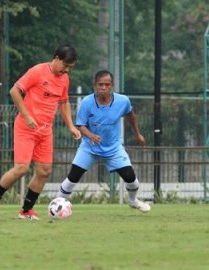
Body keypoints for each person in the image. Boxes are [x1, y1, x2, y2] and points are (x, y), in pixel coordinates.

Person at [0, 44, 82, 220]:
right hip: (26, 127)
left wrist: (70, 126)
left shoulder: (64, 79)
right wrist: (26, 115)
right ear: (56, 59)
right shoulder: (38, 71)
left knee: (44, 171)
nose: (67, 70)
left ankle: (26, 210)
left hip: (45, 131)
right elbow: (14, 91)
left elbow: (64, 102)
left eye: (70, 67)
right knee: (21, 168)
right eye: (65, 65)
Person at [56, 70, 151, 213]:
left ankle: (133, 201)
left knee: (130, 178)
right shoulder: (87, 102)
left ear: (112, 85)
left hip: (113, 148)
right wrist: (91, 135)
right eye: (100, 84)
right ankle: (57, 205)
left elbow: (131, 116)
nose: (103, 88)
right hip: (89, 147)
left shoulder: (123, 101)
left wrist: (137, 134)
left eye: (107, 84)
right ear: (95, 85)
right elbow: (80, 125)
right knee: (73, 177)